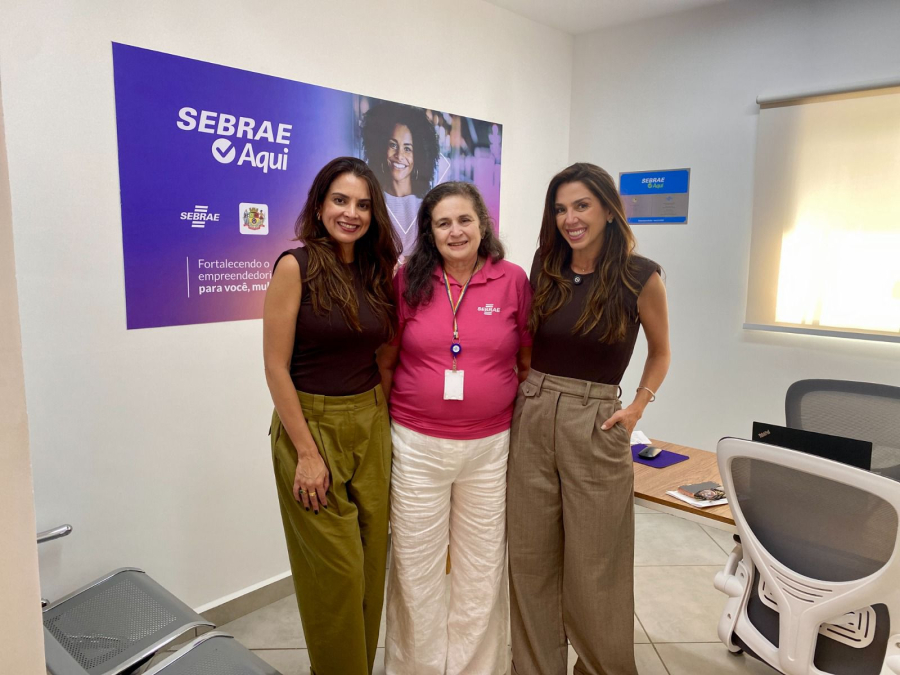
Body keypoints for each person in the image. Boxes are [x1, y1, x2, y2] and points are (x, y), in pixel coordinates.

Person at [507, 163, 671, 675]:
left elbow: (661, 352)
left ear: (606, 208)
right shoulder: (545, 264)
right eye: (560, 209)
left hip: (596, 418)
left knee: (595, 565)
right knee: (531, 559)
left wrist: (638, 405)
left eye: (581, 206)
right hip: (532, 413)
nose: (570, 218)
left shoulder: (640, 276)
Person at [376, 182, 532, 675]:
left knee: (481, 570)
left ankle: (475, 669)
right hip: (417, 444)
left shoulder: (512, 280)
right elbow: (388, 356)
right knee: (415, 569)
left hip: (489, 447)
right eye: (442, 222)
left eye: (464, 219)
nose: (455, 231)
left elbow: (525, 360)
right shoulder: (408, 281)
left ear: (482, 224)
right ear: (429, 231)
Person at [263, 156, 400, 675]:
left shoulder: (374, 271)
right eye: (340, 200)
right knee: (336, 578)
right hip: (310, 428)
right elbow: (276, 367)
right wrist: (305, 453)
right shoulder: (294, 266)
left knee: (369, 570)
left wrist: (384, 420)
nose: (351, 213)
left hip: (369, 422)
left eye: (363, 204)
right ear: (319, 206)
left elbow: (382, 354)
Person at [361, 101, 440, 261]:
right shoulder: (370, 201)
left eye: (408, 148)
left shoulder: (430, 207)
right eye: (392, 145)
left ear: (419, 155)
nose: (399, 155)